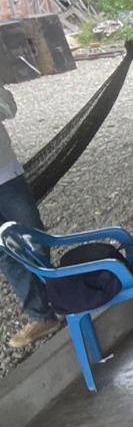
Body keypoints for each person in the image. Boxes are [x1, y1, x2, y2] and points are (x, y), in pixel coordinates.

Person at [0, 84, 59, 349]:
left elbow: (8, 106)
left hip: (5, 176)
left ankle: (65, 299)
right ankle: (41, 316)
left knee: (34, 239)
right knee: (3, 251)